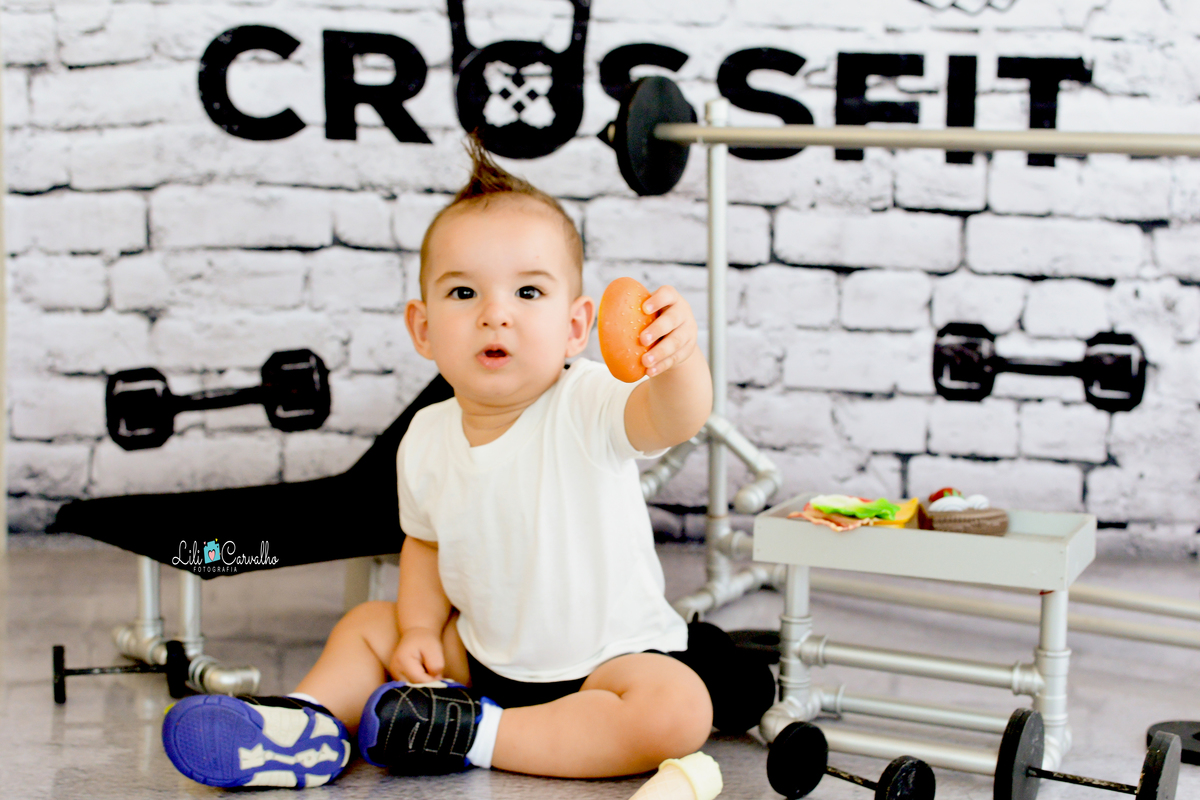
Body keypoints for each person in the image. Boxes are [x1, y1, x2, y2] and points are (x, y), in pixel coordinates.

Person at [160, 136, 774, 789]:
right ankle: (302, 726)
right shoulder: (426, 436)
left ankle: (473, 735)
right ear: (423, 328)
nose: (495, 315)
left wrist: (677, 361)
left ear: (575, 327)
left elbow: (675, 417)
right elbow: (425, 544)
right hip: (480, 657)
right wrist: (419, 630)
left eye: (528, 291)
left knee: (677, 710)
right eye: (463, 293)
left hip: (606, 663)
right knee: (368, 626)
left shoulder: (587, 402)